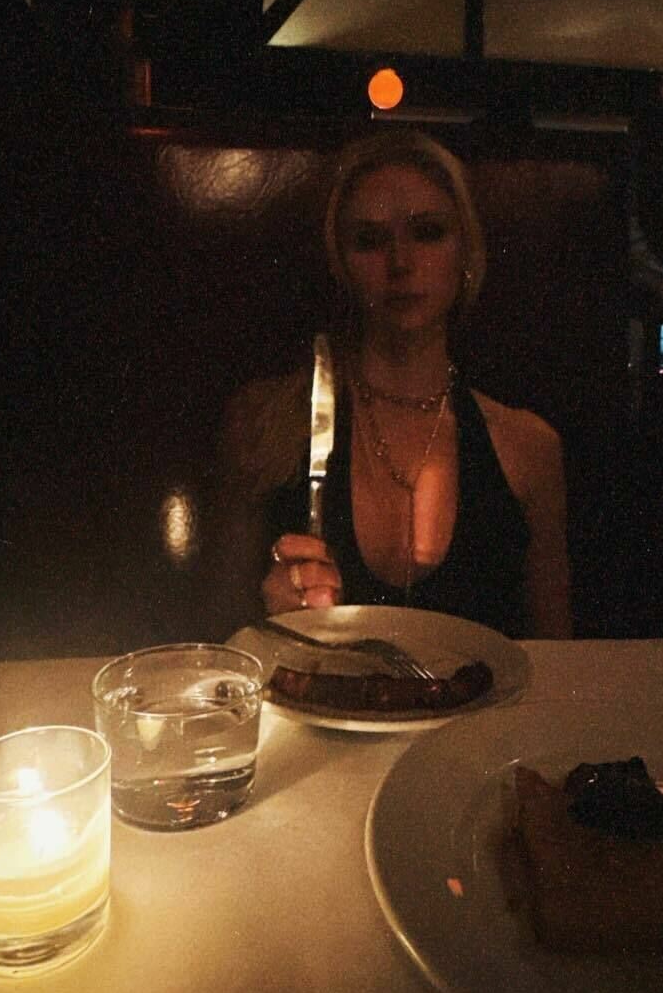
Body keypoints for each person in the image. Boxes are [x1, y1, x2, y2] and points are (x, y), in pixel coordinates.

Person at [209, 129, 572, 640]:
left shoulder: (528, 448)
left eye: (427, 232)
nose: (401, 263)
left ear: (466, 253)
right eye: (369, 240)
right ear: (341, 263)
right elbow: (217, 637)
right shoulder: (265, 423)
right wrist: (267, 617)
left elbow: (557, 660)